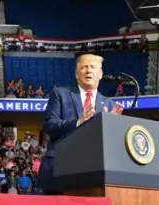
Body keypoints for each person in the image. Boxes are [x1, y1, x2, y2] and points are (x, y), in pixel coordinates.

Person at [39, 53, 122, 195]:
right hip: (59, 170)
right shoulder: (60, 94)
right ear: (77, 75)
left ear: (100, 74)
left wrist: (110, 126)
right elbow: (49, 125)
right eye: (84, 67)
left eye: (93, 67)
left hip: (94, 173)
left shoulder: (109, 104)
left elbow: (110, 144)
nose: (89, 70)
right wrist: (78, 122)